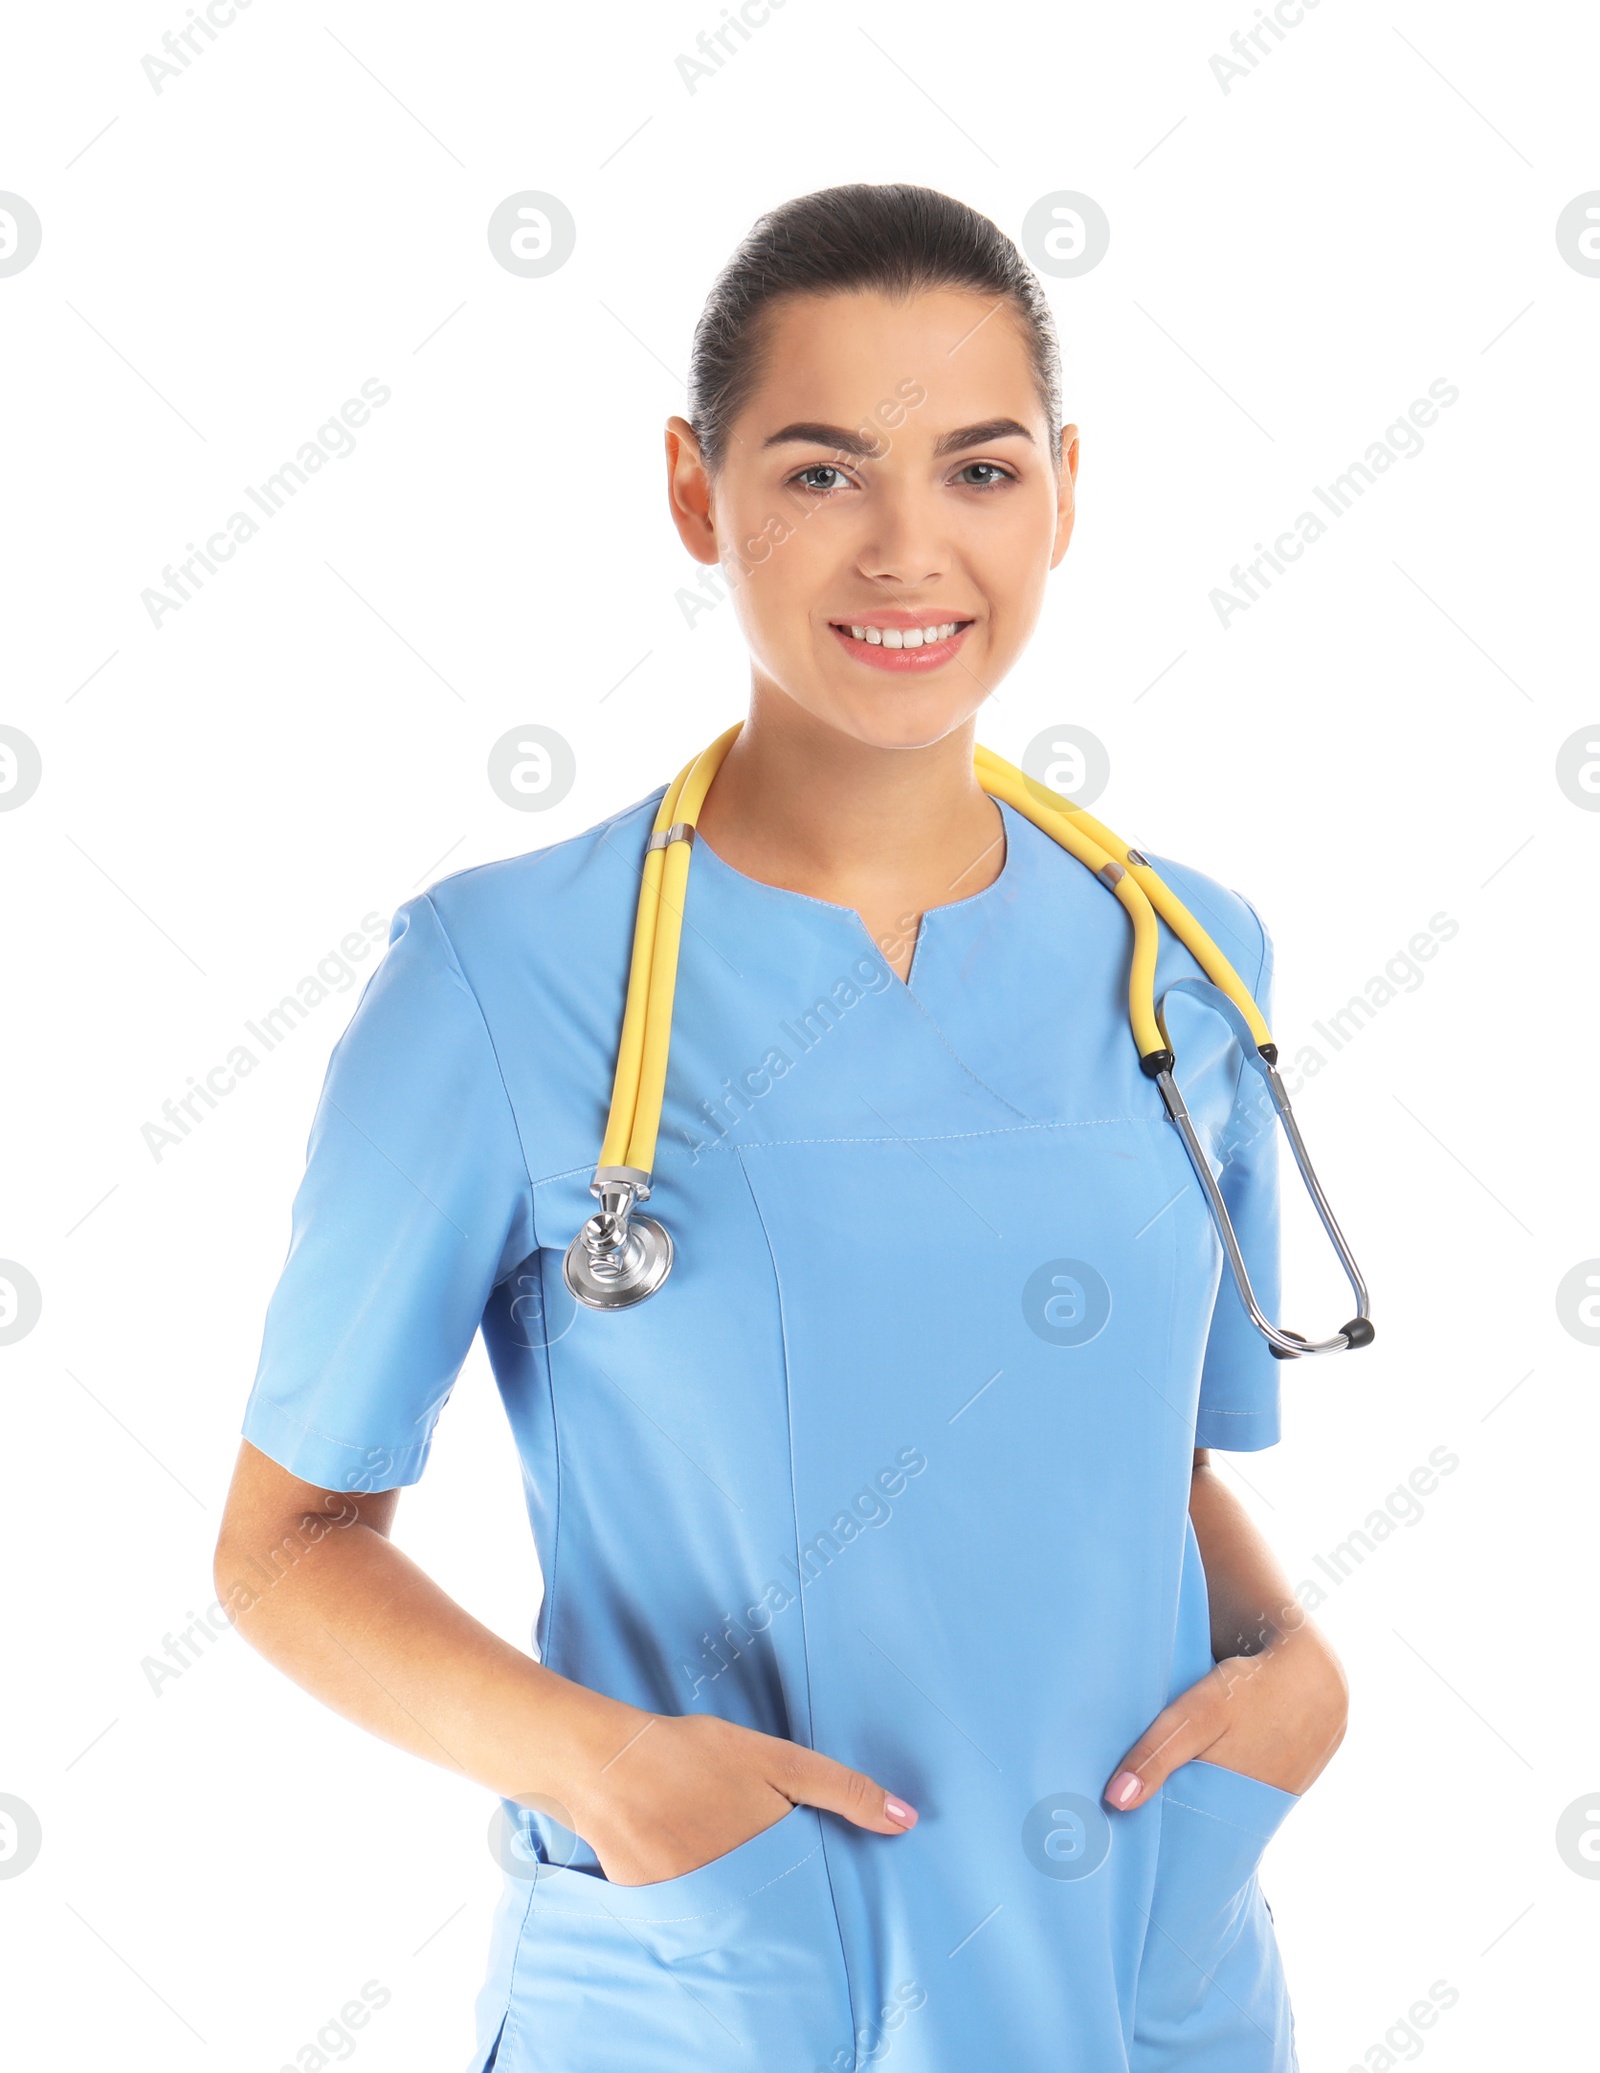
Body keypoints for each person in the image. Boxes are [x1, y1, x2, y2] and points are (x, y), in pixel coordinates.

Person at [216, 182, 1349, 2073]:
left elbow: (1138, 1455)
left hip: (1151, 1989)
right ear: (693, 489)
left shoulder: (1187, 954)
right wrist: (606, 1768)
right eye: (824, 474)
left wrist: (1294, 1666)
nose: (910, 551)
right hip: (724, 2000)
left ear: (1065, 486)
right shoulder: (507, 978)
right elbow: (287, 1543)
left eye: (980, 470)